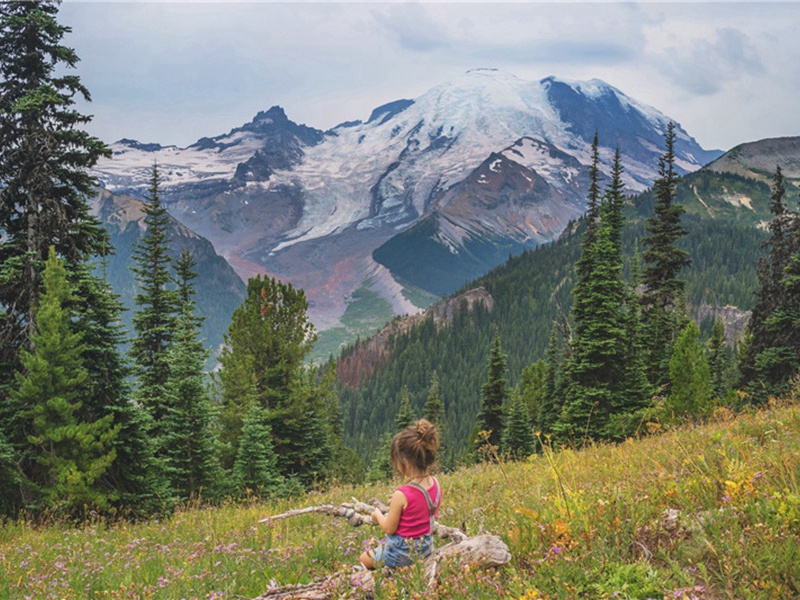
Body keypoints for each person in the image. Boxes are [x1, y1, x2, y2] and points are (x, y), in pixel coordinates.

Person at [359, 419, 442, 569]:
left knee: (364, 558)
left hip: (400, 555)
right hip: (425, 549)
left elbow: (389, 529)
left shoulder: (401, 494)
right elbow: (423, 508)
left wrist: (377, 514)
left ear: (405, 462)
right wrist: (403, 504)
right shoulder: (435, 483)